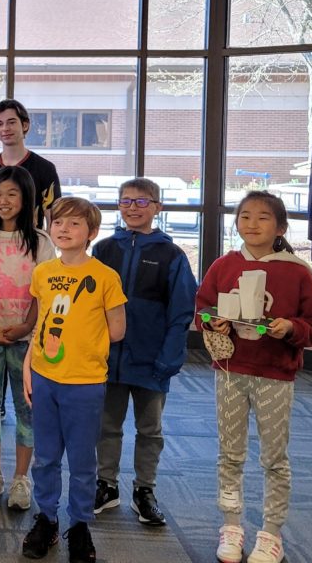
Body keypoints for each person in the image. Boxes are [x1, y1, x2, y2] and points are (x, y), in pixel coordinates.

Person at [196, 191, 312, 563]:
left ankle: (272, 532)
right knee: (230, 452)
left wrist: (290, 328)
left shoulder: (297, 272)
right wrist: (213, 319)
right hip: (231, 371)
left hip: (275, 374)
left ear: (281, 227)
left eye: (263, 217)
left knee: (273, 456)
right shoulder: (223, 265)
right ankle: (231, 526)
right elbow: (202, 308)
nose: (252, 224)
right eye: (245, 216)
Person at [22, 197, 126, 563]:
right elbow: (40, 325)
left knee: (82, 461)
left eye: (75, 224)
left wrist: (83, 339)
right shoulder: (42, 272)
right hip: (45, 377)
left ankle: (79, 525)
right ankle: (47, 519)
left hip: (84, 382)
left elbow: (117, 331)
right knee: (45, 457)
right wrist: (28, 367)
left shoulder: (104, 277)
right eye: (58, 223)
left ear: (92, 233)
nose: (64, 229)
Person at [92, 178, 197, 526]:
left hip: (152, 360)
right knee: (107, 425)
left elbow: (181, 311)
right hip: (107, 360)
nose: (133, 208)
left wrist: (169, 358)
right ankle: (106, 484)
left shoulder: (171, 255)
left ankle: (144, 489)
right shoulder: (104, 249)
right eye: (126, 201)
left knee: (149, 428)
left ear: (157, 208)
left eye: (142, 201)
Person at [0, 167, 54, 512]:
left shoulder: (41, 242)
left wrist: (24, 328)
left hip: (27, 341)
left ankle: (22, 477)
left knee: (28, 410)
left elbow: (44, 294)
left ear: (26, 199)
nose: (3, 201)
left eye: (11, 194)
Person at [0, 99, 61, 229]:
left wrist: (45, 247)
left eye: (11, 122)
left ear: (25, 125)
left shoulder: (45, 168)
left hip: (33, 244)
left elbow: (52, 219)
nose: (5, 128)